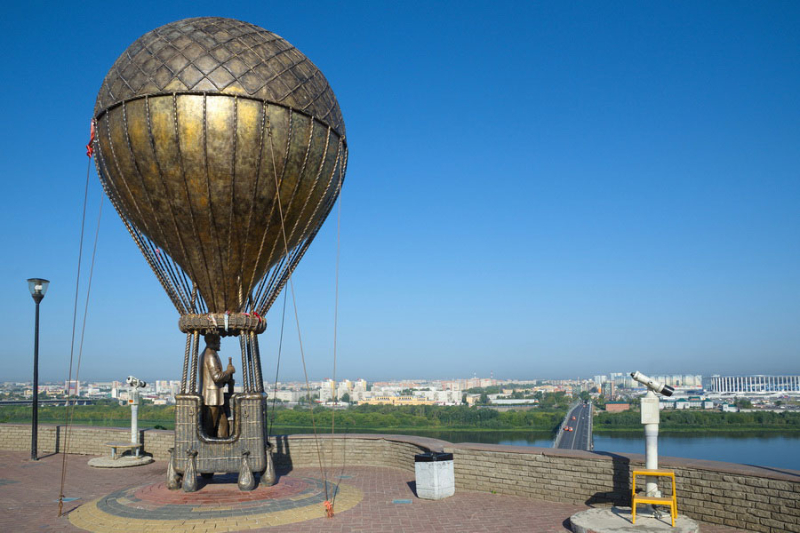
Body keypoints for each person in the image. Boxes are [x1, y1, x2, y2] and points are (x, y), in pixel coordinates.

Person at [200, 334, 235, 437]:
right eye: (218, 340)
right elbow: (216, 377)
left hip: (216, 398)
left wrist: (227, 379)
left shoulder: (209, 354)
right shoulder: (210, 355)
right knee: (210, 427)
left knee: (223, 425)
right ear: (213, 341)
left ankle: (224, 446)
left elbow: (212, 378)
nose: (220, 343)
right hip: (212, 398)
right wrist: (229, 371)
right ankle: (209, 449)